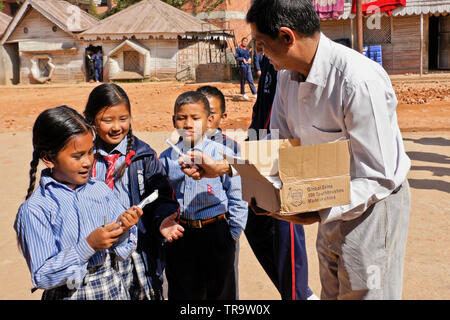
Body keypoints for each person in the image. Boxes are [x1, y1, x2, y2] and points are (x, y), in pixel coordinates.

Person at [181, 0, 411, 300]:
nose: (259, 55)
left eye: (262, 45)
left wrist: (317, 210)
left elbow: (378, 177)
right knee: (333, 288)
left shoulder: (358, 81)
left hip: (371, 208)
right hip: (329, 198)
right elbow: (280, 147)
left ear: (287, 37)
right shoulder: (286, 77)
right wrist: (226, 167)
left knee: (366, 292)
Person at [14, 105, 143, 300]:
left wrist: (124, 228)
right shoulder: (35, 209)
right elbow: (42, 276)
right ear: (49, 158)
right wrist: (89, 245)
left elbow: (122, 251)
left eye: (90, 152)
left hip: (113, 289)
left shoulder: (100, 190)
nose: (87, 162)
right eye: (77, 156)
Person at [83, 83, 183, 300]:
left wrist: (163, 218)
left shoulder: (143, 156)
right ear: (91, 120)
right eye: (107, 120)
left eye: (123, 119)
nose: (117, 127)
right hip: (93, 253)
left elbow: (161, 195)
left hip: (136, 251)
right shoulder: (83, 157)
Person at [160, 91, 248, 300]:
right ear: (174, 121)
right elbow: (163, 196)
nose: (188, 124)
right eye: (182, 118)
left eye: (195, 118)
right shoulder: (166, 158)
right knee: (183, 293)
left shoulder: (220, 154)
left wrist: (232, 233)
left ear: (209, 121)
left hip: (216, 232)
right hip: (181, 235)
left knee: (220, 294)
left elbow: (237, 193)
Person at [245, 44, 317, 300]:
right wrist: (251, 144)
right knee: (254, 222)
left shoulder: (295, 61)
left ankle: (298, 295)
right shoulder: (269, 60)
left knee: (285, 227)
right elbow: (261, 108)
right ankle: (297, 292)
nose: (256, 43)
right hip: (262, 148)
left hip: (285, 152)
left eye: (259, 36)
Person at [195, 85, 241, 299]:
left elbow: (238, 193)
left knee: (224, 286)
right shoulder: (182, 146)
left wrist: (233, 231)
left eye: (210, 112)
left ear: (222, 116)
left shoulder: (229, 148)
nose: (205, 118)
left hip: (222, 228)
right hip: (191, 230)